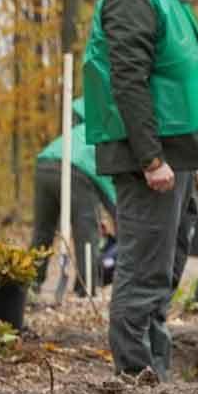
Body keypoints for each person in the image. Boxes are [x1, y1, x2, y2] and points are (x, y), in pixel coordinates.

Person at [83, 0, 198, 381]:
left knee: (167, 267)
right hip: (150, 157)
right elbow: (129, 81)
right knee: (144, 267)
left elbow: (187, 81)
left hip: (176, 156)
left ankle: (156, 371)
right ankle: (134, 377)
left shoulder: (171, 0)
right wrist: (151, 158)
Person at [31, 98, 117, 296]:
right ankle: (86, 287)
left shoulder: (77, 130)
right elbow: (110, 190)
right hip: (76, 171)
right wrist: (117, 217)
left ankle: (31, 284)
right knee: (87, 232)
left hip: (44, 165)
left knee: (42, 231)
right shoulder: (106, 137)